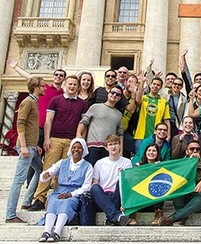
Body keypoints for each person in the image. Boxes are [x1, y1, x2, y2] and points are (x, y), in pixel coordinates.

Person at [29, 75, 89, 211]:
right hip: (55, 139)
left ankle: (57, 198)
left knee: (64, 173)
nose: (72, 86)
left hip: (72, 142)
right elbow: (48, 120)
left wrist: (80, 141)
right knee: (48, 169)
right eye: (70, 84)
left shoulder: (82, 104)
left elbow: (82, 124)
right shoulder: (56, 100)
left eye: (75, 84)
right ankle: (39, 198)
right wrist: (46, 138)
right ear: (65, 85)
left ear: (78, 86)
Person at [5, 76, 45, 223]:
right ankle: (10, 214)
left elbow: (30, 127)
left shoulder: (34, 101)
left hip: (32, 146)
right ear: (36, 87)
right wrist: (23, 146)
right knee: (18, 180)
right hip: (26, 146)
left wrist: (35, 145)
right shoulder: (27, 102)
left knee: (40, 170)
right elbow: (20, 123)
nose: (44, 88)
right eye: (42, 86)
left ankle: (27, 200)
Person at [38, 138, 92, 242]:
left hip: (74, 194)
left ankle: (57, 232)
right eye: (74, 147)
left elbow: (86, 187)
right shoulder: (62, 162)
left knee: (66, 203)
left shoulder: (88, 166)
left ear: (83, 149)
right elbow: (48, 173)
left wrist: (71, 194)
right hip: (59, 191)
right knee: (53, 201)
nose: (76, 150)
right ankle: (47, 231)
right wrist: (45, 175)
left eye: (79, 148)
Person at [157, 139, 201, 225]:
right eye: (192, 149)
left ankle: (173, 218)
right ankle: (180, 217)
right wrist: (189, 163)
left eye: (197, 149)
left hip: (197, 196)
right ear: (187, 151)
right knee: (176, 189)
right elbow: (175, 177)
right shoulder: (181, 163)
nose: (195, 151)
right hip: (184, 194)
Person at [83, 134, 132, 226]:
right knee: (94, 187)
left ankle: (112, 217)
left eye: (115, 144)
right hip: (102, 197)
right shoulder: (100, 163)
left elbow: (127, 186)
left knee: (121, 181)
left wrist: (123, 175)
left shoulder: (127, 162)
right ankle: (115, 216)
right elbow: (95, 183)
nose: (113, 147)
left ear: (119, 146)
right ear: (106, 147)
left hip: (117, 197)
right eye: (110, 144)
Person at [76, 85, 124, 165]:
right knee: (90, 172)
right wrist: (78, 134)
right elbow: (83, 122)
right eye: (112, 92)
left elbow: (120, 134)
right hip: (92, 147)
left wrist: (120, 151)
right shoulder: (95, 107)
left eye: (117, 94)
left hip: (109, 149)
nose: (114, 95)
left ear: (119, 98)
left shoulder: (119, 114)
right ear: (108, 94)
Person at [134, 76, 171, 152]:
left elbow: (166, 120)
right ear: (150, 85)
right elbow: (137, 101)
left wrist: (168, 135)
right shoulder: (143, 98)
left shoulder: (164, 102)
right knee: (139, 158)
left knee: (153, 159)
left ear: (161, 87)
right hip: (141, 135)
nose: (155, 86)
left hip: (156, 136)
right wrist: (142, 82)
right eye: (154, 84)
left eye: (158, 85)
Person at [132, 143, 164, 225]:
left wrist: (158, 168)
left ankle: (158, 215)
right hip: (141, 200)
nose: (151, 152)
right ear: (145, 152)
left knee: (159, 186)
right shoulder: (137, 165)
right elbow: (133, 180)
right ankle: (131, 215)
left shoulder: (161, 166)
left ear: (157, 153)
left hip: (154, 201)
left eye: (154, 151)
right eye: (149, 150)